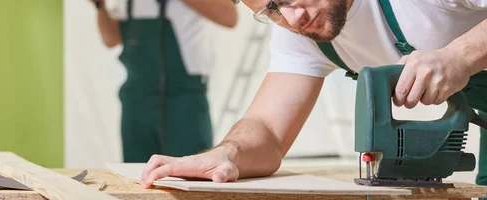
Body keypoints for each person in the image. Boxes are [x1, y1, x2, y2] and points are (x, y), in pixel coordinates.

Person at [139, 0, 487, 189]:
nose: (293, 17)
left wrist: (461, 56)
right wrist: (228, 154)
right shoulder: (299, 33)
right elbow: (269, 130)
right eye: (271, 9)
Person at [91, 0, 238, 162]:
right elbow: (111, 40)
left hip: (184, 100)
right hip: (136, 100)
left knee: (191, 173)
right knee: (136, 174)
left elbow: (230, 17)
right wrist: (100, 5)